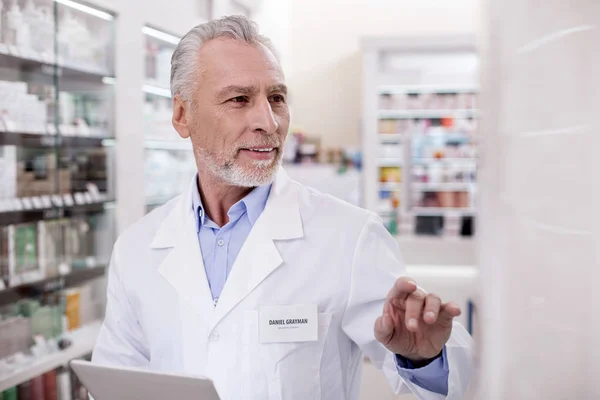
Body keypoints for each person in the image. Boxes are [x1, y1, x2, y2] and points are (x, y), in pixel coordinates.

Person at [92, 15, 473, 399]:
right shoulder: (138, 248)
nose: (268, 121)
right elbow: (113, 383)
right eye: (239, 99)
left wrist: (424, 362)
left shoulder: (349, 236)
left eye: (276, 98)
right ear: (182, 115)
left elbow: (436, 381)